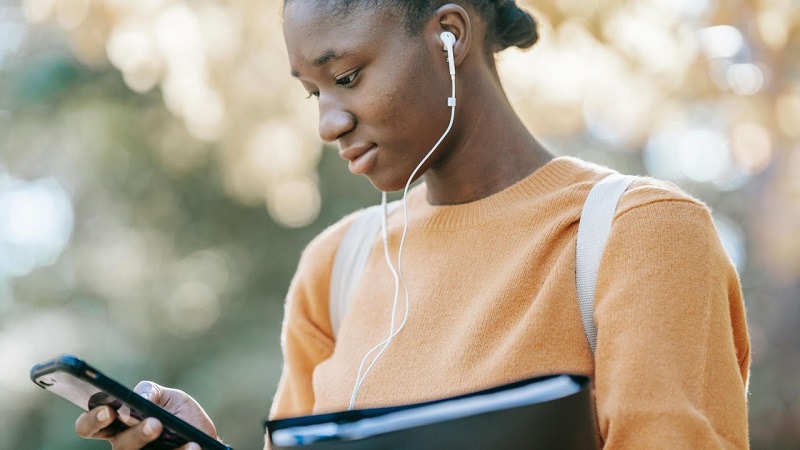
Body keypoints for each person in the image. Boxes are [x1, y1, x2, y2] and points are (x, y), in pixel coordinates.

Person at [74, 0, 751, 448]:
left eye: (347, 75)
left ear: (449, 35)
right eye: (313, 92)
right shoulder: (336, 268)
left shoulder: (641, 235)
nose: (327, 122)